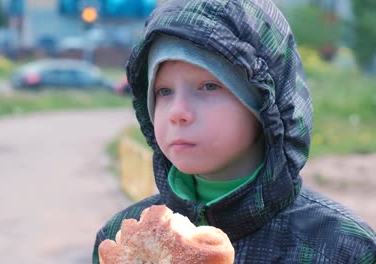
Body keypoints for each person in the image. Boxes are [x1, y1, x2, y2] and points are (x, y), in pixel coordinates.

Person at [93, 0, 375, 263]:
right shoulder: (123, 239)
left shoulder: (342, 248)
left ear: (265, 103)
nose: (178, 112)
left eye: (209, 86)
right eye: (164, 91)